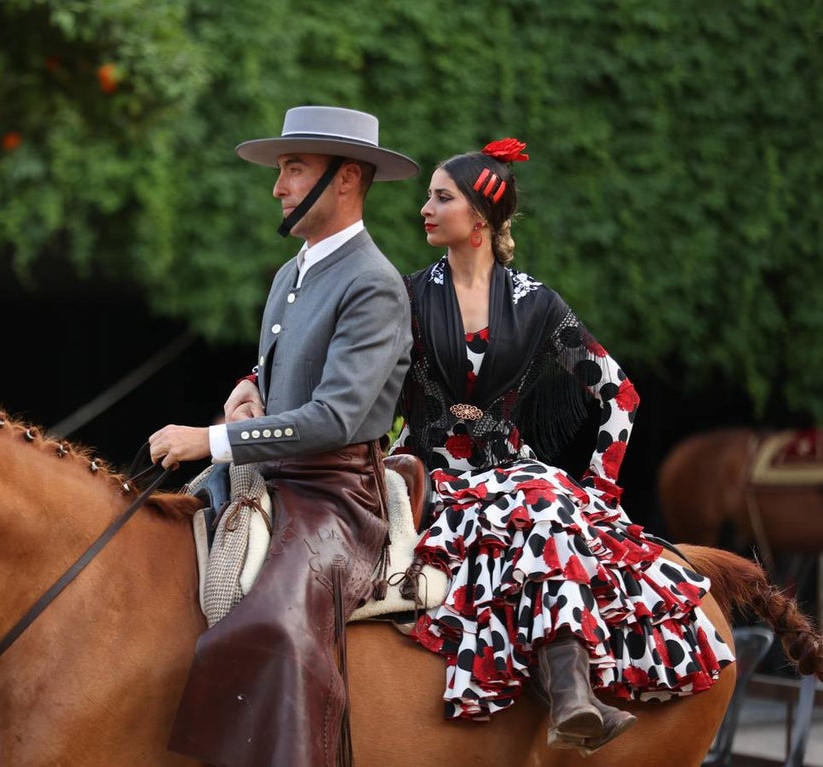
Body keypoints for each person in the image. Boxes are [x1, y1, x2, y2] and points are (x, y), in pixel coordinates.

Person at [393, 137, 735, 753]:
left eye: (441, 197)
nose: (425, 207)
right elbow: (355, 372)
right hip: (430, 480)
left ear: (480, 217)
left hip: (512, 487)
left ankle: (572, 695)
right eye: (428, 196)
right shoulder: (408, 293)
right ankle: (570, 694)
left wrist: (601, 489)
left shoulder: (536, 305)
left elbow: (620, 395)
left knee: (551, 496)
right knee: (549, 495)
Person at [148, 105, 417, 767]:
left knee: (276, 624)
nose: (278, 186)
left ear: (347, 178)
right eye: (282, 170)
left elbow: (332, 416)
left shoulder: (375, 283)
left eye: (294, 168)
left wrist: (209, 439)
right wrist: (252, 387)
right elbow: (290, 372)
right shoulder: (291, 272)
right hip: (270, 475)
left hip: (336, 497)